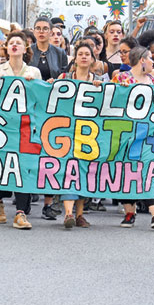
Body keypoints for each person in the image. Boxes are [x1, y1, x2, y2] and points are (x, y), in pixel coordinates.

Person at [0, 32, 42, 230]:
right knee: (1, 164)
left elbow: (41, 99)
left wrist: (35, 85)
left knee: (23, 166)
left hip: (26, 126)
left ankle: (20, 212)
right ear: (6, 48)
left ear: (25, 49)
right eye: (11, 43)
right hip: (3, 126)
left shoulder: (34, 72)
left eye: (19, 43)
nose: (15, 45)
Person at [114, 46, 154, 230]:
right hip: (125, 133)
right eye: (149, 58)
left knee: (148, 169)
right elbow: (110, 101)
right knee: (126, 171)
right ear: (142, 60)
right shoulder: (121, 79)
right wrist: (120, 91)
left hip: (148, 134)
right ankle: (129, 212)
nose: (152, 61)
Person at [56, 41, 103, 229]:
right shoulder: (64, 77)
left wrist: (101, 89)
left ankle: (80, 214)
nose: (83, 57)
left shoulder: (99, 80)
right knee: (69, 170)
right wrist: (51, 85)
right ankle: (68, 213)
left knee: (85, 170)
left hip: (89, 133)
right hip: (67, 131)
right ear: (75, 59)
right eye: (80, 54)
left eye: (87, 54)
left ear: (92, 59)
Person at [29, 17, 69, 82]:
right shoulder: (27, 51)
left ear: (50, 32)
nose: (41, 31)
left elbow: (64, 76)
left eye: (45, 29)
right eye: (38, 28)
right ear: (34, 32)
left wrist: (55, 81)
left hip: (53, 87)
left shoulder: (60, 53)